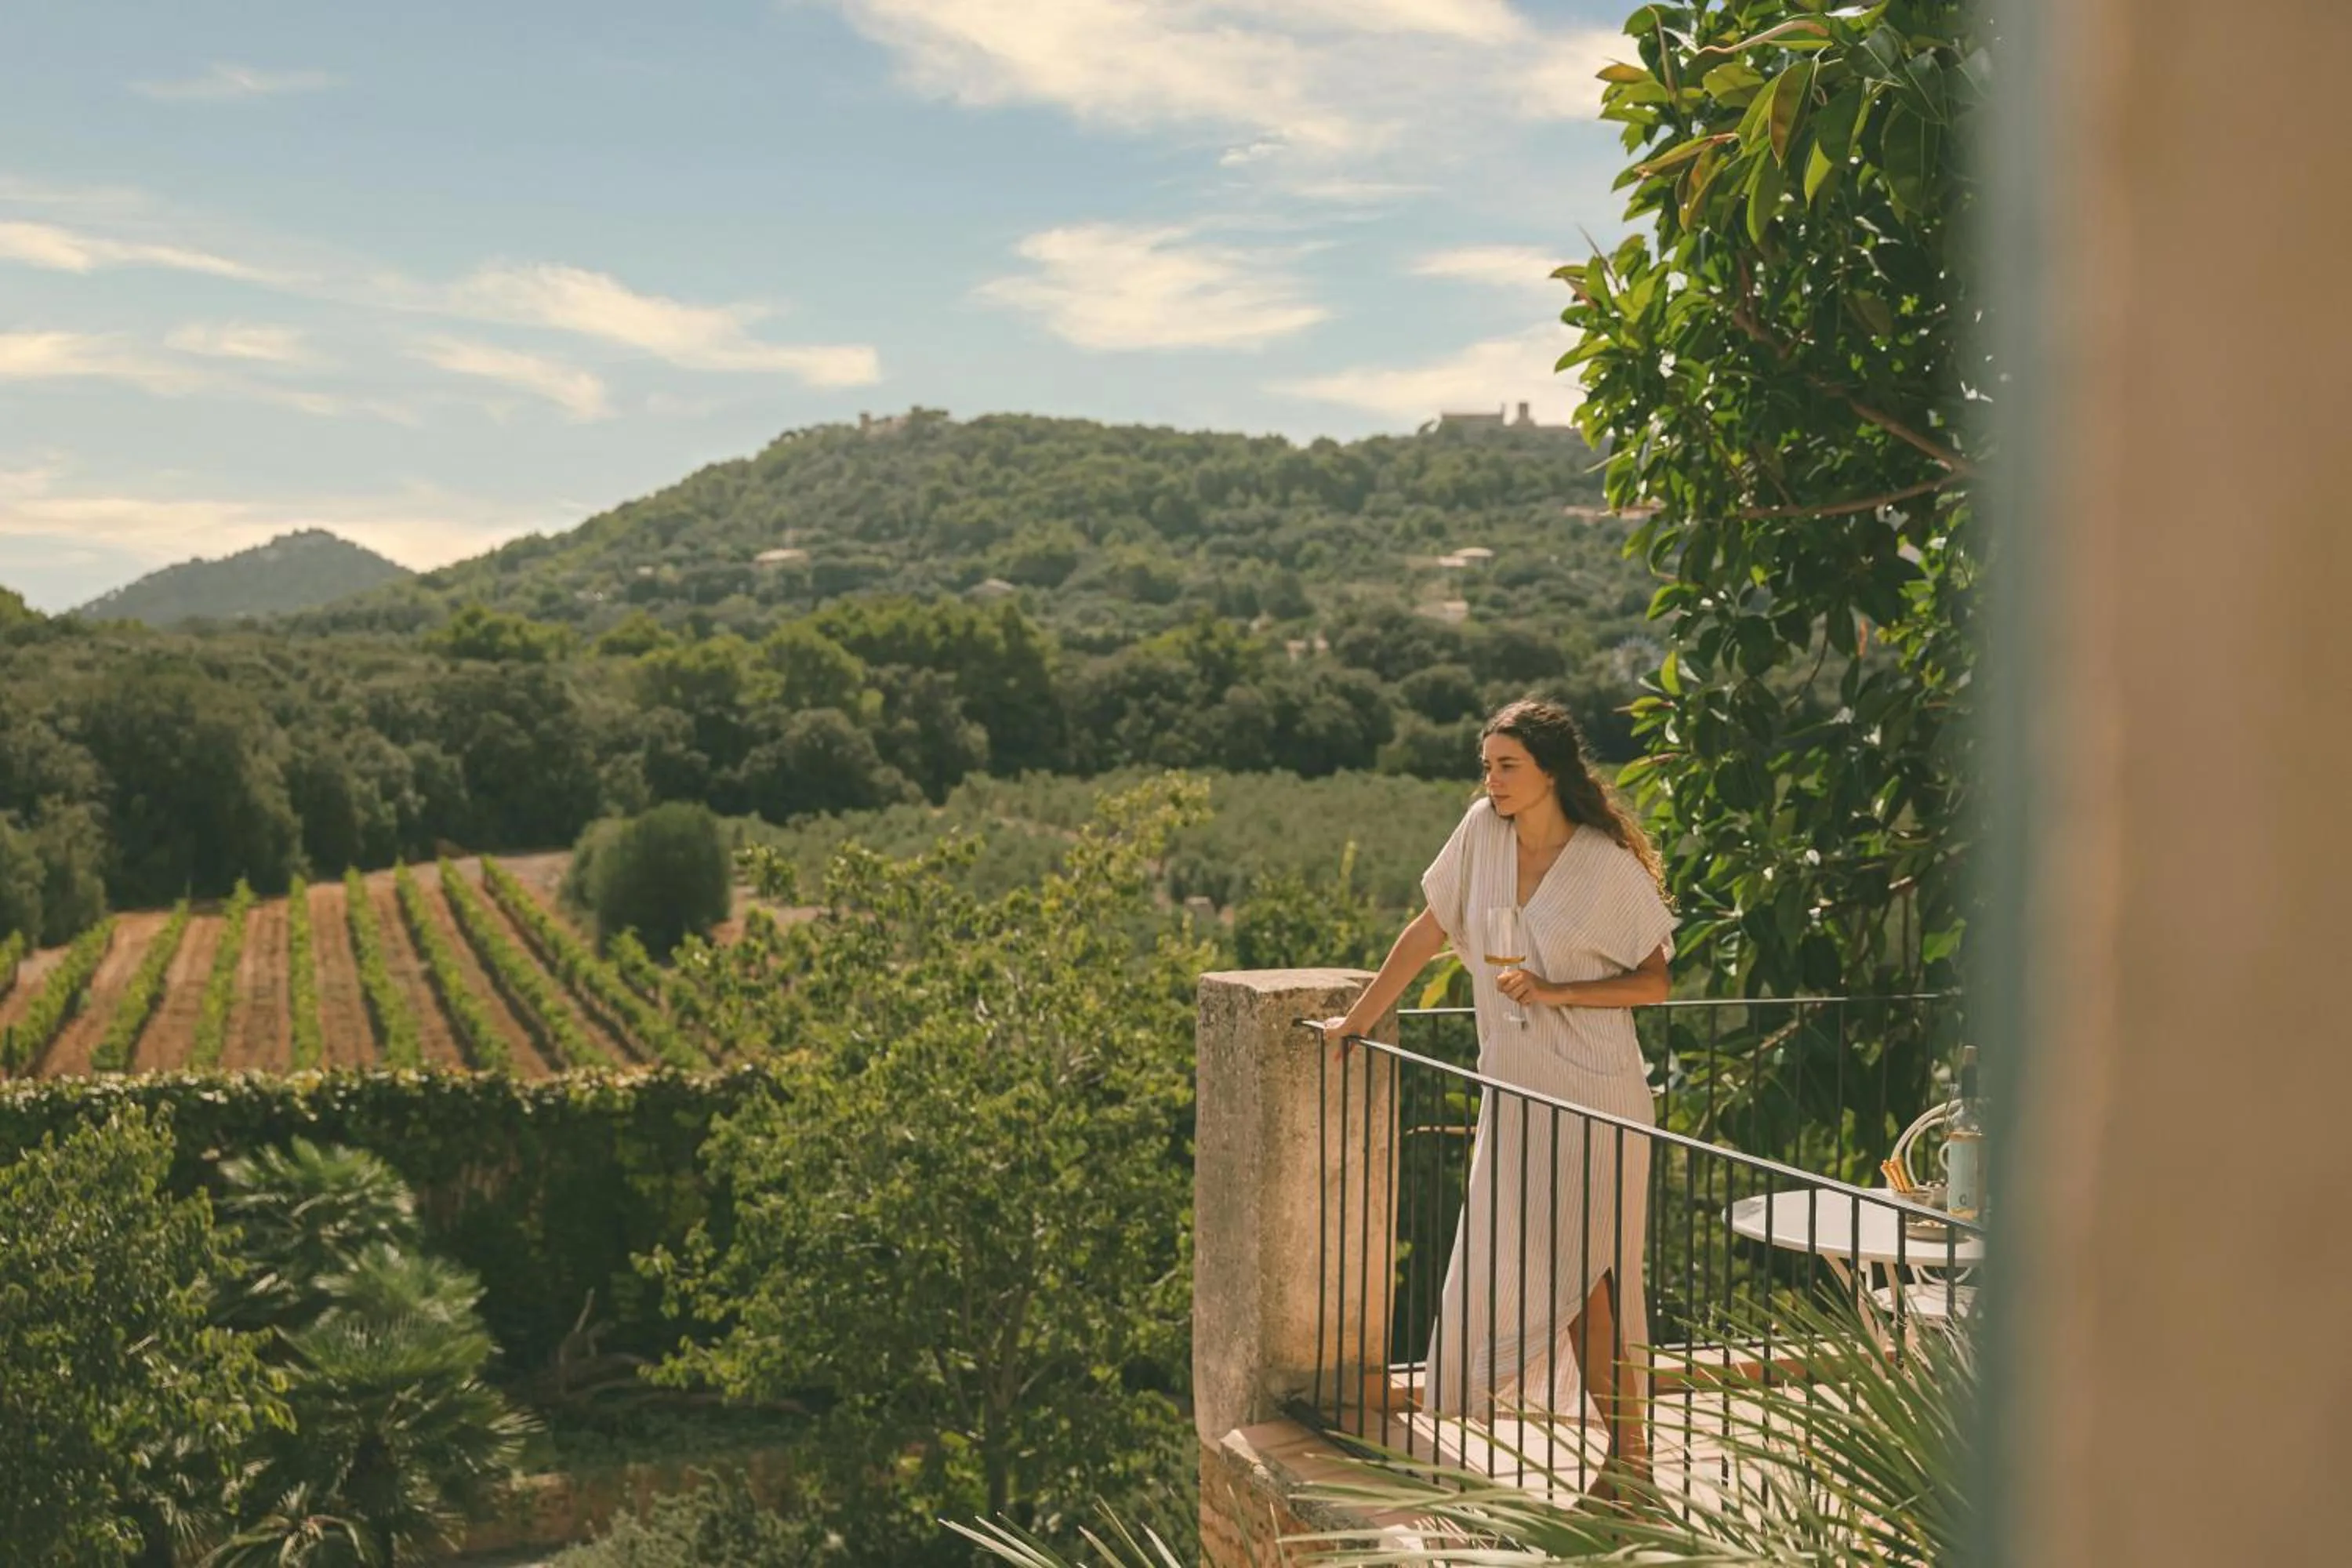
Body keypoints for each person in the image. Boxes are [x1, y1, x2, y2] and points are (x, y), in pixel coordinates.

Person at [1312, 697, 1675, 1493]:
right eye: (1487, 765)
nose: (1493, 779)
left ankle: (1633, 1459)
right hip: (1516, 1091)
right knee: (1540, 1265)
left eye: (1508, 765)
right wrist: (1358, 1021)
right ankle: (1625, 1457)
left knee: (1597, 1276)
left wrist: (1553, 991)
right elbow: (1428, 928)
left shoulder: (1601, 861)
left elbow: (1655, 981)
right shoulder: (1481, 832)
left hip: (1600, 1095)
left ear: (1550, 772)